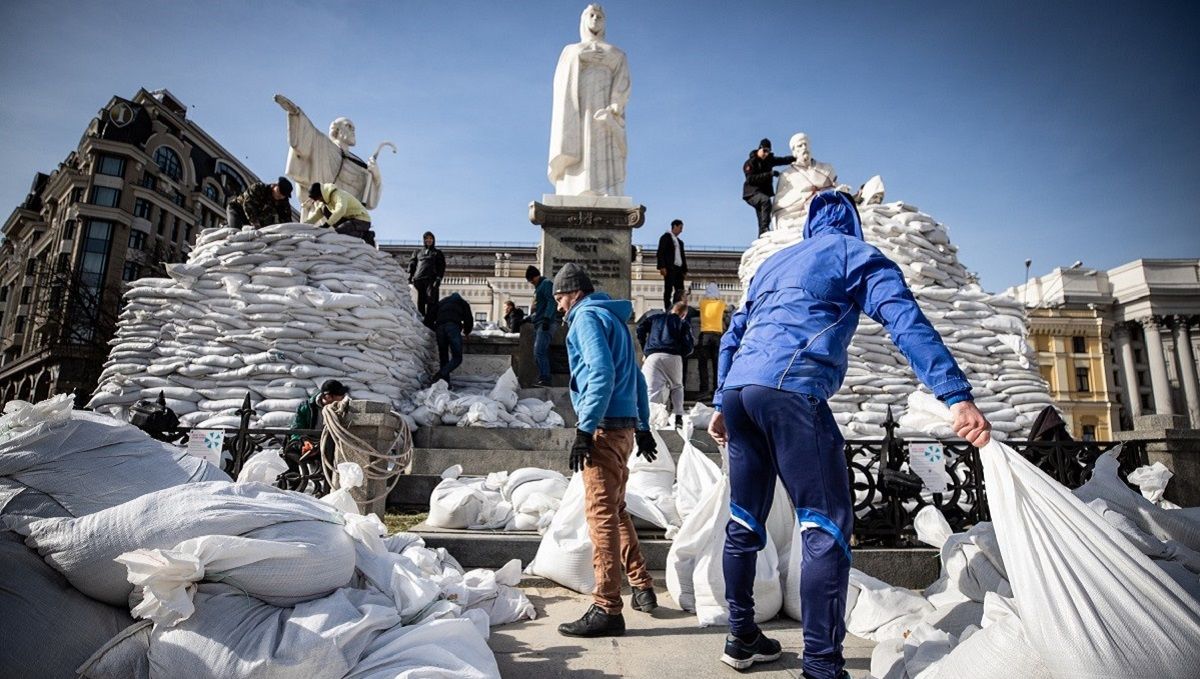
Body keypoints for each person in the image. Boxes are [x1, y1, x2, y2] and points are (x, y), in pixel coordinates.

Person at [708, 191, 992, 677]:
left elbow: (734, 333)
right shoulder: (856, 254)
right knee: (826, 526)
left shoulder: (773, 265)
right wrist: (954, 394)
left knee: (745, 520)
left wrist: (721, 401)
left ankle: (742, 638)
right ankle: (821, 666)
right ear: (853, 225)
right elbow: (905, 321)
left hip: (739, 392)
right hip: (792, 390)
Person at [552, 263, 658, 638]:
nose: (559, 306)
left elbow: (601, 374)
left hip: (603, 428)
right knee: (617, 509)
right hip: (625, 426)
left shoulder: (585, 319)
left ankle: (607, 606)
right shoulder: (616, 322)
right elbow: (637, 381)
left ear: (575, 292)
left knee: (600, 515)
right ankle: (642, 586)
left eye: (560, 297)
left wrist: (584, 429)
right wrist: (642, 426)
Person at [548, 4, 630, 197]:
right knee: (580, 142)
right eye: (591, 15)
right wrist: (578, 58)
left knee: (602, 142)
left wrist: (614, 105)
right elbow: (560, 81)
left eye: (599, 17)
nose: (595, 20)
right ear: (584, 20)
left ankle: (605, 189)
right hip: (579, 108)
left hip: (604, 106)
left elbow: (623, 80)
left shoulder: (615, 53)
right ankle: (573, 187)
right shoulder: (571, 50)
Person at [282, 379, 349, 495]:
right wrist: (304, 441)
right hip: (308, 443)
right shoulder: (306, 407)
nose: (343, 398)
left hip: (328, 445)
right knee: (290, 451)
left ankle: (324, 491)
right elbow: (296, 429)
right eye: (340, 395)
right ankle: (294, 485)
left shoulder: (342, 408)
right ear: (328, 397)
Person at [637, 301, 694, 428]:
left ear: (671, 310)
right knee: (677, 387)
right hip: (673, 356)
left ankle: (648, 420)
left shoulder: (655, 318)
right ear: (683, 314)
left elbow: (640, 328)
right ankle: (678, 415)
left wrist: (645, 348)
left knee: (650, 388)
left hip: (652, 356)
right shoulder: (682, 323)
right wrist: (681, 353)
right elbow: (689, 346)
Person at [772, 133, 839, 230]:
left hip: (826, 206)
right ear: (794, 151)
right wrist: (802, 194)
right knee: (789, 224)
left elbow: (835, 187)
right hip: (800, 214)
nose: (804, 147)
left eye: (806, 144)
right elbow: (779, 204)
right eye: (800, 145)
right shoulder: (786, 174)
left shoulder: (826, 168)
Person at [742, 138, 796, 236]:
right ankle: (764, 230)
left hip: (762, 193)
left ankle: (762, 236)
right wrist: (769, 174)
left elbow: (783, 160)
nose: (766, 154)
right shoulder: (750, 163)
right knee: (765, 201)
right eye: (764, 151)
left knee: (763, 216)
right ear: (759, 148)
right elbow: (750, 179)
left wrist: (796, 158)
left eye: (768, 151)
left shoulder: (769, 160)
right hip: (751, 193)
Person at [304, 182, 375, 245]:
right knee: (324, 209)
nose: (318, 200)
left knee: (339, 232)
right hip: (348, 219)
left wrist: (326, 225)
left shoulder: (338, 194)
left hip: (361, 220)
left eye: (318, 198)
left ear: (321, 194)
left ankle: (365, 235)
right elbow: (315, 216)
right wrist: (303, 226)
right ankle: (341, 232)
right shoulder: (324, 203)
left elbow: (341, 209)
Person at [430, 292, 473, 383]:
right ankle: (440, 375)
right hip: (453, 327)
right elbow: (468, 319)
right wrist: (467, 331)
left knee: (444, 357)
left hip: (440, 327)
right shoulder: (462, 303)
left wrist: (434, 328)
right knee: (457, 357)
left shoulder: (442, 302)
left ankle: (445, 383)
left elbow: (429, 316)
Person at [526, 265, 557, 387]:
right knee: (539, 351)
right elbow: (539, 309)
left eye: (532, 280)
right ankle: (543, 377)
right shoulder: (539, 287)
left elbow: (551, 301)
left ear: (536, 276)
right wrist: (528, 318)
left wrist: (546, 319)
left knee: (539, 351)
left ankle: (545, 378)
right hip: (539, 323)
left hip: (546, 324)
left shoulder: (546, 284)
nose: (532, 283)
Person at [697, 282, 728, 399]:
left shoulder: (702, 304)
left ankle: (704, 389)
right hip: (717, 336)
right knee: (717, 364)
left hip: (705, 335)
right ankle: (716, 389)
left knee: (703, 364)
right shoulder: (721, 304)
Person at [408, 231, 446, 323]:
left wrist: (438, 278)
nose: (429, 240)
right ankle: (420, 320)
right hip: (418, 279)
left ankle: (429, 321)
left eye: (430, 238)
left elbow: (442, 266)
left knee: (431, 300)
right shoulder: (417, 252)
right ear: (424, 240)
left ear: (433, 240)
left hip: (431, 279)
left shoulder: (437, 253)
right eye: (427, 238)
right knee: (420, 301)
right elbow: (412, 264)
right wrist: (409, 276)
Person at [226, 177, 293, 229]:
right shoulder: (258, 188)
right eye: (279, 191)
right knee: (235, 231)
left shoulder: (283, 203)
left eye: (283, 195)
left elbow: (287, 220)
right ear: (274, 185)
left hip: (257, 219)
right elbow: (248, 204)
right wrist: (256, 224)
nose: (280, 195)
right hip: (238, 210)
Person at [656, 219, 688, 310]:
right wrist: (662, 266)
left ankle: (677, 307)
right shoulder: (666, 237)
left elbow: (682, 256)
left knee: (680, 290)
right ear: (675, 226)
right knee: (668, 289)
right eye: (680, 228)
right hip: (670, 267)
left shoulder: (680, 242)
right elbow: (660, 252)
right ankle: (667, 308)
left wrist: (684, 270)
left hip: (679, 268)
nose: (681, 230)